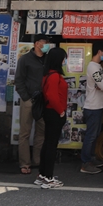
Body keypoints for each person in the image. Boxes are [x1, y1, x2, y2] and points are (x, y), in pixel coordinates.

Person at [14, 34, 51, 175]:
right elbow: (19, 79)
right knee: (25, 132)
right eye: (45, 42)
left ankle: (37, 160)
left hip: (43, 101)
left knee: (41, 132)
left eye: (48, 42)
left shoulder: (47, 59)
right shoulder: (25, 59)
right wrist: (26, 98)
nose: (47, 44)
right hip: (29, 100)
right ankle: (24, 163)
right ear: (36, 43)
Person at [36, 47, 68, 189]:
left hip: (49, 112)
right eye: (63, 58)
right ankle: (48, 177)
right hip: (55, 113)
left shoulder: (47, 74)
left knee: (47, 143)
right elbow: (53, 97)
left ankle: (43, 174)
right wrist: (61, 111)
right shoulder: (55, 76)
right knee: (51, 146)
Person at [80, 43, 103, 174]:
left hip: (98, 105)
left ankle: (91, 159)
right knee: (91, 136)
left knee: (94, 135)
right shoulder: (93, 68)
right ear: (99, 51)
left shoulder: (98, 67)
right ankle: (86, 163)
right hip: (93, 106)